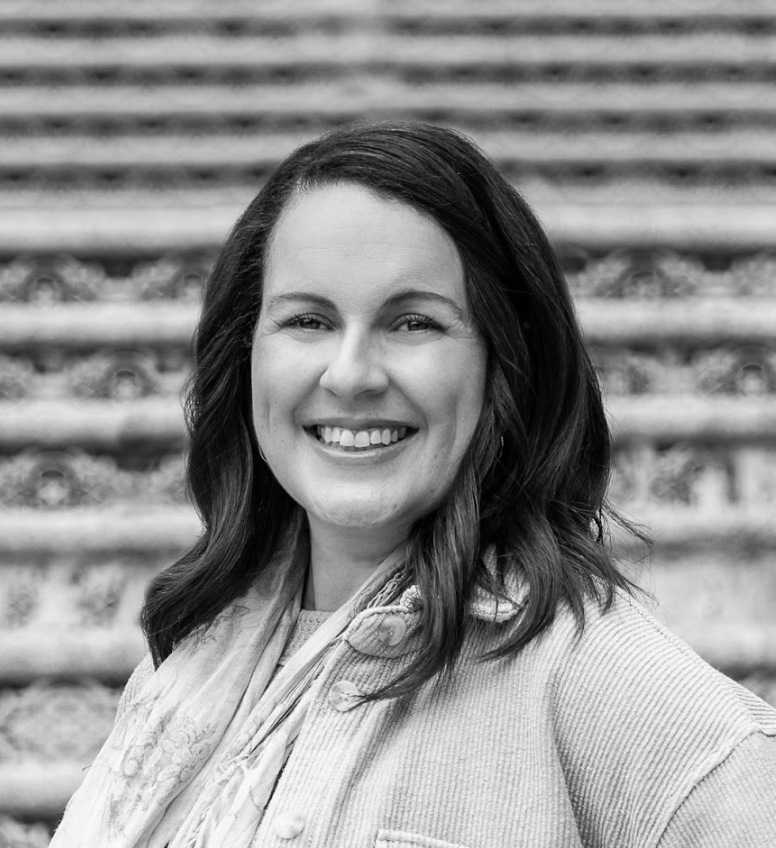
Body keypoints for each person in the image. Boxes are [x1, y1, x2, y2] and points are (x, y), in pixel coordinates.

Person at [52, 122, 776, 847]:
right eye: (308, 320)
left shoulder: (587, 674)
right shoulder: (191, 663)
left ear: (502, 364)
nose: (352, 375)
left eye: (413, 323)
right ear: (245, 356)